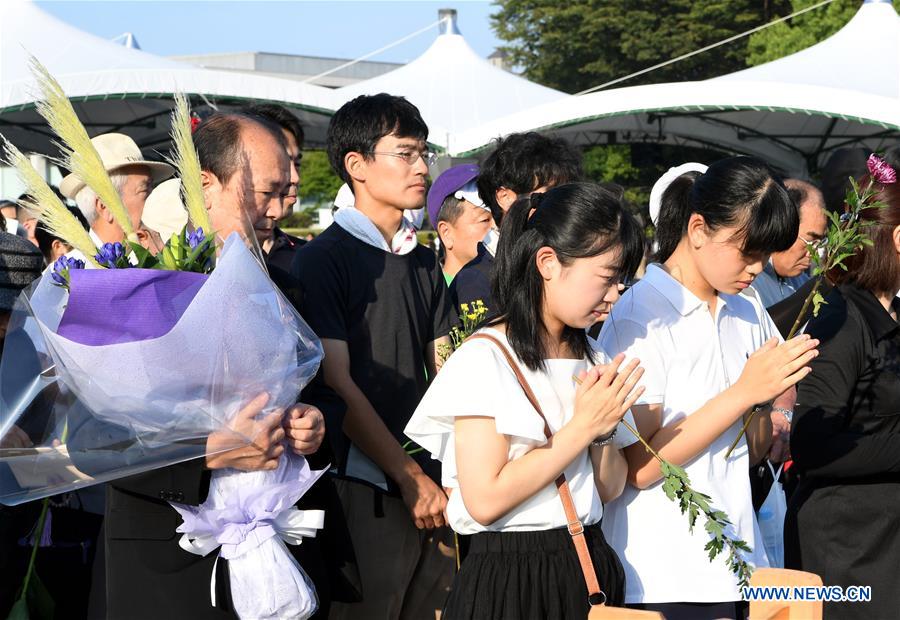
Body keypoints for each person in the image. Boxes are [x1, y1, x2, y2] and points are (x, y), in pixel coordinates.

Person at [85, 113, 326, 619]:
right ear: (206, 186)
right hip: (163, 567)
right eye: (266, 192)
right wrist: (209, 453)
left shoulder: (285, 290)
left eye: (288, 192)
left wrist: (312, 423)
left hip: (269, 564)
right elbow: (91, 436)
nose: (279, 209)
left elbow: (315, 392)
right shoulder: (135, 288)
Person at [405, 182, 645, 618]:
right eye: (607, 278)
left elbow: (609, 487)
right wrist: (583, 428)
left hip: (587, 562)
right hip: (509, 577)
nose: (615, 295)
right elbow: (485, 499)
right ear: (548, 263)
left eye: (621, 281)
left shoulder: (593, 355)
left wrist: (604, 430)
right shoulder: (485, 357)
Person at [598, 156, 820, 620]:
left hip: (742, 567)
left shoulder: (746, 308)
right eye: (748, 252)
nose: (758, 268)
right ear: (698, 230)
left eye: (765, 255)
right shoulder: (640, 316)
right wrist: (743, 393)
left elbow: (755, 450)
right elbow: (637, 467)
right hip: (661, 574)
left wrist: (764, 400)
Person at [292, 93, 456, 620]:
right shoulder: (322, 260)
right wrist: (407, 477)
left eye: (424, 153)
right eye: (405, 154)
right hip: (362, 483)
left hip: (434, 481)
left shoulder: (425, 261)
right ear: (356, 165)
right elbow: (336, 382)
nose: (421, 167)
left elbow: (447, 366)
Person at [785, 166, 900, 620]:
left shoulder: (886, 313)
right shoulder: (843, 316)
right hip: (847, 555)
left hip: (883, 542)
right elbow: (811, 444)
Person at [451, 132, 582, 313]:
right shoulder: (474, 282)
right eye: (550, 194)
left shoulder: (565, 263)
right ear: (505, 198)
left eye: (566, 195)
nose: (562, 206)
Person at [60, 133, 174, 249]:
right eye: (145, 190)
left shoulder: (160, 254)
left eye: (153, 187)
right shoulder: (75, 266)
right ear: (105, 206)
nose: (155, 197)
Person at [241, 103, 307, 276]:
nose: (294, 178)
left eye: (297, 164)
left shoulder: (312, 259)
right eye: (282, 162)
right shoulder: (200, 257)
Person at [749, 179, 827, 308]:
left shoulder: (803, 283)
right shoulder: (745, 279)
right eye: (810, 241)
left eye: (820, 242)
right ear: (783, 226)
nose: (813, 254)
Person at [426, 164, 492, 283]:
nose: (497, 226)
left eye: (499, 217)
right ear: (446, 233)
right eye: (485, 220)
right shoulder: (433, 296)